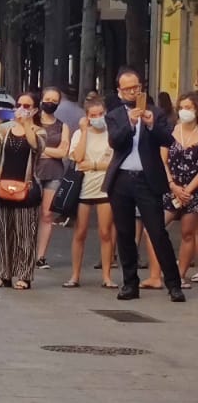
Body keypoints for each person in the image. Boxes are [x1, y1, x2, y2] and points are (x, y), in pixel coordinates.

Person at [106, 70, 185, 302]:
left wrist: (151, 126)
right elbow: (115, 141)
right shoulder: (115, 115)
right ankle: (130, 284)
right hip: (121, 178)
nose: (133, 92)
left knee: (158, 232)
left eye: (136, 87)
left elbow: (168, 140)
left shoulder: (157, 113)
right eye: (127, 89)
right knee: (124, 233)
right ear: (119, 91)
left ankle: (173, 284)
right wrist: (130, 123)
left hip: (147, 179)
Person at [0, 92, 45, 289]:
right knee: (4, 233)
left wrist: (27, 123)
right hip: (3, 185)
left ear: (35, 110)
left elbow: (35, 146)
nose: (21, 108)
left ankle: (24, 275)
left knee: (25, 233)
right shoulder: (6, 130)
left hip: (26, 188)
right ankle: (3, 274)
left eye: (27, 106)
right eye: (19, 104)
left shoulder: (38, 131)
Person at [66, 99, 116, 289]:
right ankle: (75, 275)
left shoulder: (112, 133)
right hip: (84, 188)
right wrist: (85, 131)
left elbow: (114, 162)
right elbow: (77, 158)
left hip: (105, 188)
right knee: (80, 232)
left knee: (105, 232)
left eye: (100, 114)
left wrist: (95, 165)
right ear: (86, 117)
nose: (97, 118)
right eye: (92, 115)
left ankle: (106, 276)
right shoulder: (79, 134)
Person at [33, 87, 72, 271]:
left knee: (47, 215)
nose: (50, 102)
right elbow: (28, 146)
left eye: (54, 100)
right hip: (31, 172)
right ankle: (26, 252)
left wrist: (41, 149)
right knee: (30, 214)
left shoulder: (62, 126)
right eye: (47, 98)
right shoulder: (32, 122)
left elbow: (63, 152)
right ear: (41, 99)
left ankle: (41, 256)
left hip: (54, 174)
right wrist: (51, 151)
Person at [161, 93, 198, 288]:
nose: (184, 111)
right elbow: (163, 160)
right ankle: (162, 269)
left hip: (193, 191)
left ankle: (181, 275)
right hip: (172, 187)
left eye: (189, 107)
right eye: (182, 107)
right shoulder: (172, 131)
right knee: (157, 226)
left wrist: (188, 191)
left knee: (188, 233)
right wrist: (173, 186)